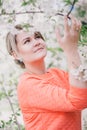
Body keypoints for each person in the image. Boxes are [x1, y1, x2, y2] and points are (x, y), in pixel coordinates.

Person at [6, 15, 87, 130]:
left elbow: (83, 92)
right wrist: (71, 49)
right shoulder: (28, 85)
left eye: (37, 37)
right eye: (27, 41)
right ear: (15, 54)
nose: (36, 42)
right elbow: (78, 101)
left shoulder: (58, 73)